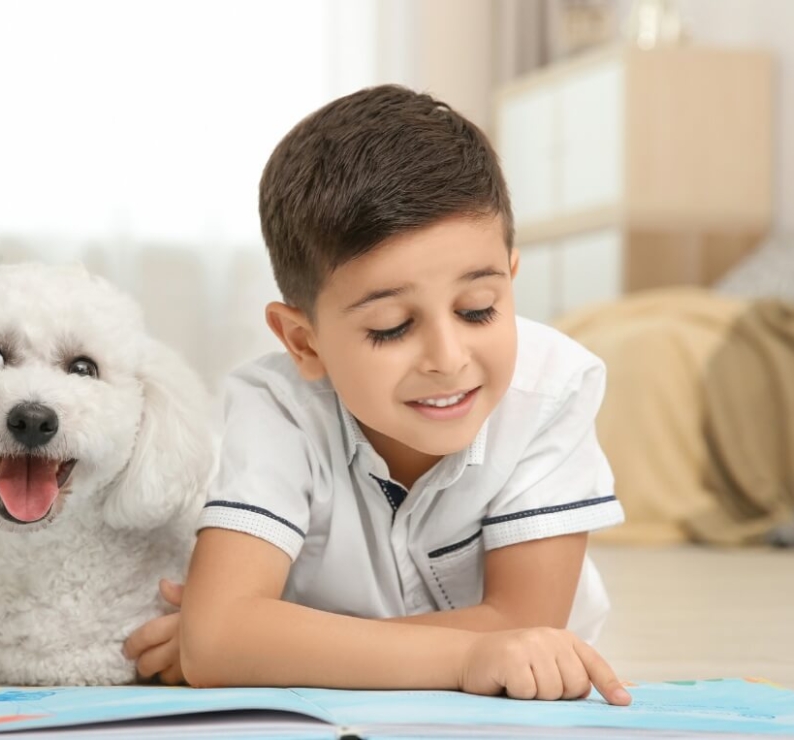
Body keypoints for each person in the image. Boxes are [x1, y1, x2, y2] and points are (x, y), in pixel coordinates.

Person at [124, 84, 630, 705]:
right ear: (304, 343)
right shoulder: (275, 406)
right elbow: (220, 639)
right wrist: (469, 650)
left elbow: (524, 625)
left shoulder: (553, 387)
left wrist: (267, 650)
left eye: (478, 310)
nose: (448, 359)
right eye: (392, 327)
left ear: (511, 281)